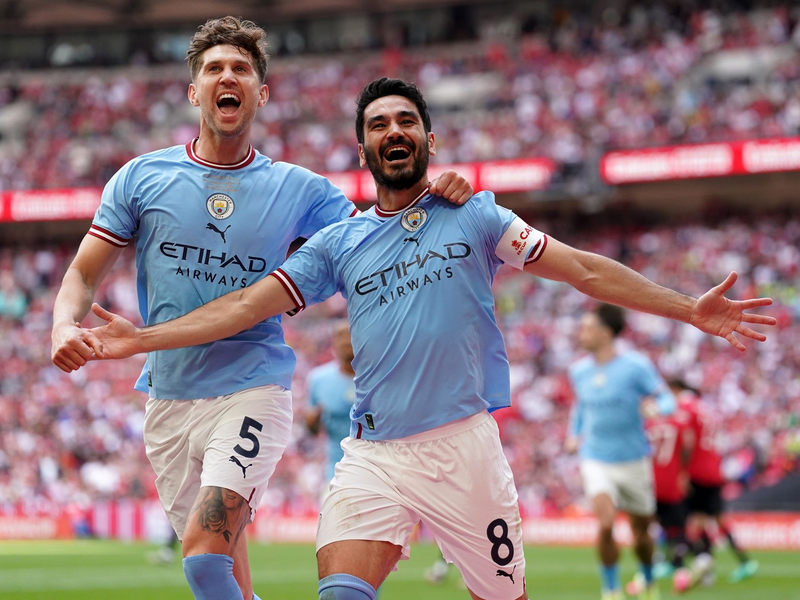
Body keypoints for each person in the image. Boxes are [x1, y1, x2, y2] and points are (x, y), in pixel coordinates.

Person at [82, 77, 776, 600]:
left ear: (428, 140)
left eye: (407, 120)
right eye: (379, 123)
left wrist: (689, 309)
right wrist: (141, 340)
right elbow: (241, 306)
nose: (394, 129)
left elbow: (583, 269)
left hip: (465, 450)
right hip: (375, 456)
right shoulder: (337, 243)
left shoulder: (474, 214)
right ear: (363, 147)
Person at [49, 19, 472, 600]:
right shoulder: (141, 178)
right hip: (168, 400)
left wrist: (434, 194)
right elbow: (82, 273)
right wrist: (61, 323)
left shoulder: (300, 189)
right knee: (224, 570)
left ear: (261, 93)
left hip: (253, 388)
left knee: (201, 557)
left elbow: (382, 238)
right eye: (214, 69)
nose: (229, 77)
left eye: (242, 69)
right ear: (193, 90)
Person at [565, 304, 675, 600]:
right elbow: (580, 407)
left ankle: (649, 582)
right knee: (605, 521)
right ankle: (611, 590)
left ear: (604, 333)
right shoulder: (578, 370)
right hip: (595, 457)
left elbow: (667, 399)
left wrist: (656, 408)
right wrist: (573, 435)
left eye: (587, 327)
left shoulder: (635, 366)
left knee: (641, 534)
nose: (581, 333)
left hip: (633, 459)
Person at [675, 379, 760, 586]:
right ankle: (741, 562)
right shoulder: (707, 409)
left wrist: (681, 471)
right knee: (713, 519)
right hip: (713, 469)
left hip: (697, 470)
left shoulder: (686, 408)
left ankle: (687, 563)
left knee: (694, 521)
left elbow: (686, 439)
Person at [645, 382, 694, 592]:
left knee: (651, 525)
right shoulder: (679, 423)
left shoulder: (648, 425)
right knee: (677, 528)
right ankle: (680, 569)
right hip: (672, 481)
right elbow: (688, 446)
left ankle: (651, 568)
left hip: (652, 481)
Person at [305, 320, 356, 492]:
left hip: (375, 468)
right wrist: (312, 421)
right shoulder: (318, 379)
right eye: (340, 336)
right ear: (333, 343)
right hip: (335, 470)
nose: (345, 341)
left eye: (350, 335)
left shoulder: (376, 378)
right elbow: (312, 430)